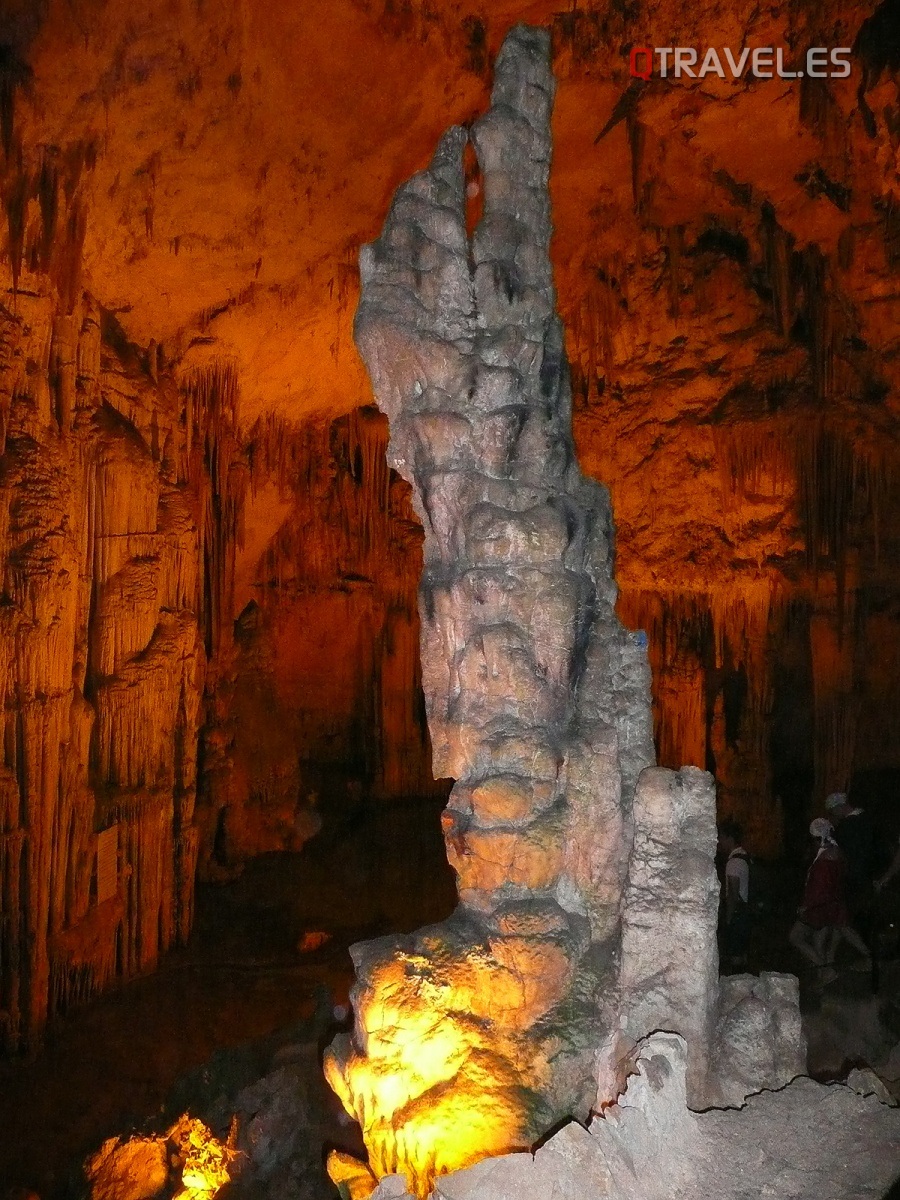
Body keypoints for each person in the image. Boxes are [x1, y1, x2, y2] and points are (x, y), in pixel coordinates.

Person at [789, 817, 871, 984]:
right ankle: (825, 976)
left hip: (821, 906)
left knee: (796, 937)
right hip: (834, 901)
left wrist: (806, 906)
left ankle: (826, 970)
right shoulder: (837, 852)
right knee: (824, 939)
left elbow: (819, 887)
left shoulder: (824, 860)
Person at [717, 818, 752, 972]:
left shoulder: (733, 863)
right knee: (743, 952)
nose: (719, 842)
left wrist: (728, 918)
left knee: (735, 954)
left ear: (730, 838)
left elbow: (732, 892)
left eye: (722, 838)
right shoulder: (745, 856)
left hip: (738, 912)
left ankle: (738, 985)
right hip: (747, 910)